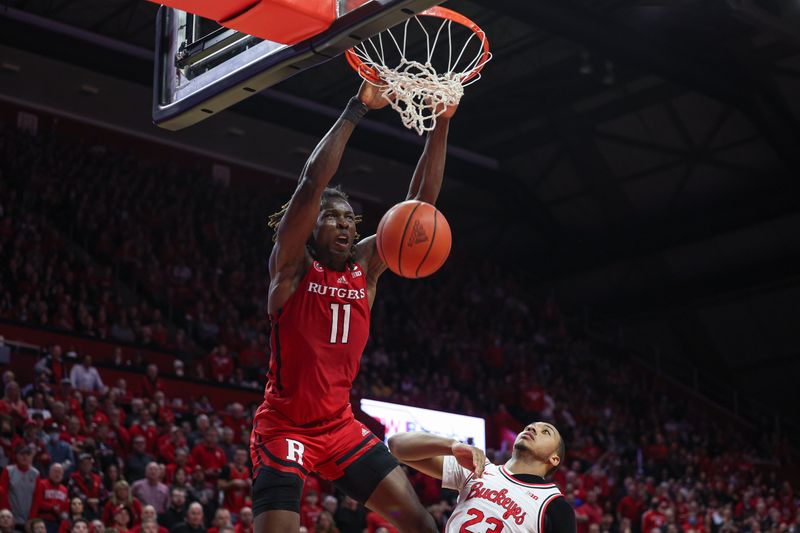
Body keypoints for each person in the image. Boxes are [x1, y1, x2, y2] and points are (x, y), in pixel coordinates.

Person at [251, 81, 456, 533]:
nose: (344, 224)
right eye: (332, 217)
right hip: (285, 429)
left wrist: (441, 122)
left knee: (422, 526)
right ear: (309, 228)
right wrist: (357, 107)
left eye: (349, 218)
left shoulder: (366, 267)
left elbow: (418, 206)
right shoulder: (292, 268)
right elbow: (312, 183)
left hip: (340, 428)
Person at [388, 421, 577, 533]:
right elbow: (397, 446)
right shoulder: (479, 467)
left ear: (554, 458)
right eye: (529, 427)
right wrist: (451, 445)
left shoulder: (554, 506)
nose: (532, 429)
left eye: (545, 432)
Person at [0, 444, 40, 528]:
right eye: (22, 454)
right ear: (16, 456)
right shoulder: (8, 471)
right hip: (11, 519)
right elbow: (2, 493)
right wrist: (8, 515)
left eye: (28, 454)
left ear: (31, 457)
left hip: (28, 520)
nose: (24, 457)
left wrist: (32, 519)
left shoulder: (35, 474)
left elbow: (37, 498)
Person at [30, 463, 69, 533]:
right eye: (55, 471)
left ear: (62, 475)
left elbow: (65, 507)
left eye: (59, 472)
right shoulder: (42, 484)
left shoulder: (64, 490)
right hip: (42, 520)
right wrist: (52, 507)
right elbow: (37, 502)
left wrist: (62, 513)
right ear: (49, 472)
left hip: (58, 522)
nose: (57, 474)